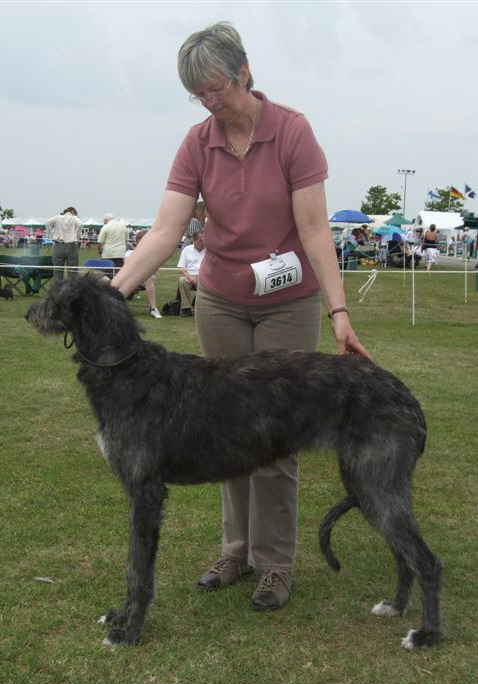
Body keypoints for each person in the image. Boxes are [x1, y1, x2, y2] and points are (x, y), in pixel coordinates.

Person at [111, 21, 369, 612]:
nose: (208, 103)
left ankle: (275, 564)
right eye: (197, 95)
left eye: (214, 89)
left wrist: (339, 310)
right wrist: (115, 290)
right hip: (222, 301)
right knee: (225, 433)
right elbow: (166, 230)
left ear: (244, 73)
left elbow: (313, 229)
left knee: (276, 439)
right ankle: (236, 550)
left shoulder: (293, 132)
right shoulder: (196, 143)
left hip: (288, 301)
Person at [124, 230, 162, 318]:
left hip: (147, 278)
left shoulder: (152, 254)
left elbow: (155, 270)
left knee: (149, 278)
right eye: (141, 240)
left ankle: (153, 309)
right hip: (131, 278)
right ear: (137, 242)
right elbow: (128, 266)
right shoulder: (129, 253)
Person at [45, 206, 82, 282]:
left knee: (57, 270)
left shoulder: (57, 217)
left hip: (58, 245)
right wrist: (76, 236)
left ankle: (57, 290)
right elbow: (80, 224)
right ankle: (73, 290)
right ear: (72, 212)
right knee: (73, 271)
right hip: (71, 246)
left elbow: (47, 223)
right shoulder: (74, 218)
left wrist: (52, 235)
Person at [177, 229, 205, 316]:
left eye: (205, 240)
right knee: (182, 280)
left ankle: (205, 308)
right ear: (193, 239)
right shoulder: (186, 250)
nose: (203, 242)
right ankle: (186, 308)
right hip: (190, 276)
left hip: (206, 277)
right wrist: (191, 278)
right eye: (200, 240)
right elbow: (181, 268)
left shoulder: (211, 250)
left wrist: (202, 277)